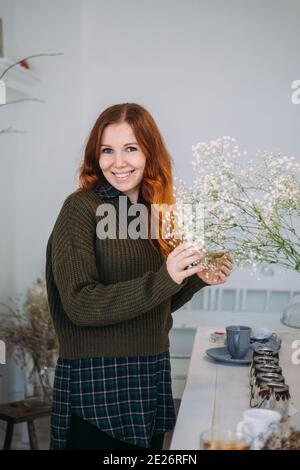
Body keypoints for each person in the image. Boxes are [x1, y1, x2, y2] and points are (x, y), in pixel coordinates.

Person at [45, 102, 233, 450]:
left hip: (148, 375)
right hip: (99, 381)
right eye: (107, 150)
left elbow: (155, 304)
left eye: (130, 148)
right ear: (95, 156)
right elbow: (80, 304)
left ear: (149, 152)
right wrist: (165, 278)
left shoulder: (153, 213)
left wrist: (195, 278)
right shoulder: (80, 209)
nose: (118, 162)